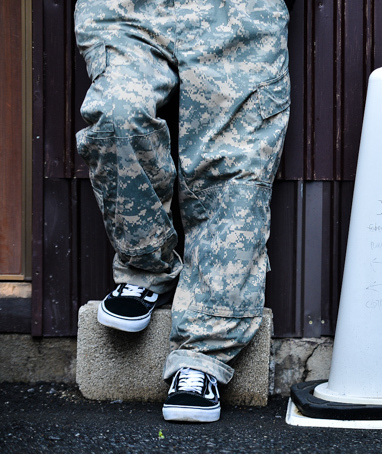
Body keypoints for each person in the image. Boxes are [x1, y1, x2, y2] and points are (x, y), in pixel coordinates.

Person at [74, 0, 292, 423]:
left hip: (237, 12)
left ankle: (203, 355)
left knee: (233, 167)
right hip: (129, 9)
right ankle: (145, 265)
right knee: (117, 116)